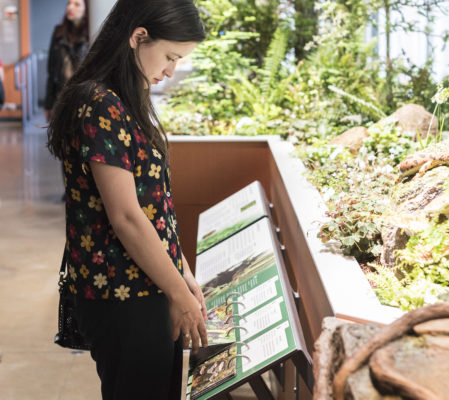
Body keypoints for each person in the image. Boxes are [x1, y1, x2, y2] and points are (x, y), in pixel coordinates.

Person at [47, 0, 208, 399]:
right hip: (124, 294)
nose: (170, 71)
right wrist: (178, 294)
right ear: (138, 38)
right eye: (170, 57)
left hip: (145, 284)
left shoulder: (124, 98)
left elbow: (154, 205)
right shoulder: (98, 102)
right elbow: (127, 217)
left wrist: (182, 272)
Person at [44, 0, 89, 121]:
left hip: (84, 99)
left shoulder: (90, 35)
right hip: (61, 98)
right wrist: (48, 104)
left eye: (76, 4)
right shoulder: (58, 33)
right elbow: (51, 70)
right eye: (69, 3)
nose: (70, 7)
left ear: (86, 10)